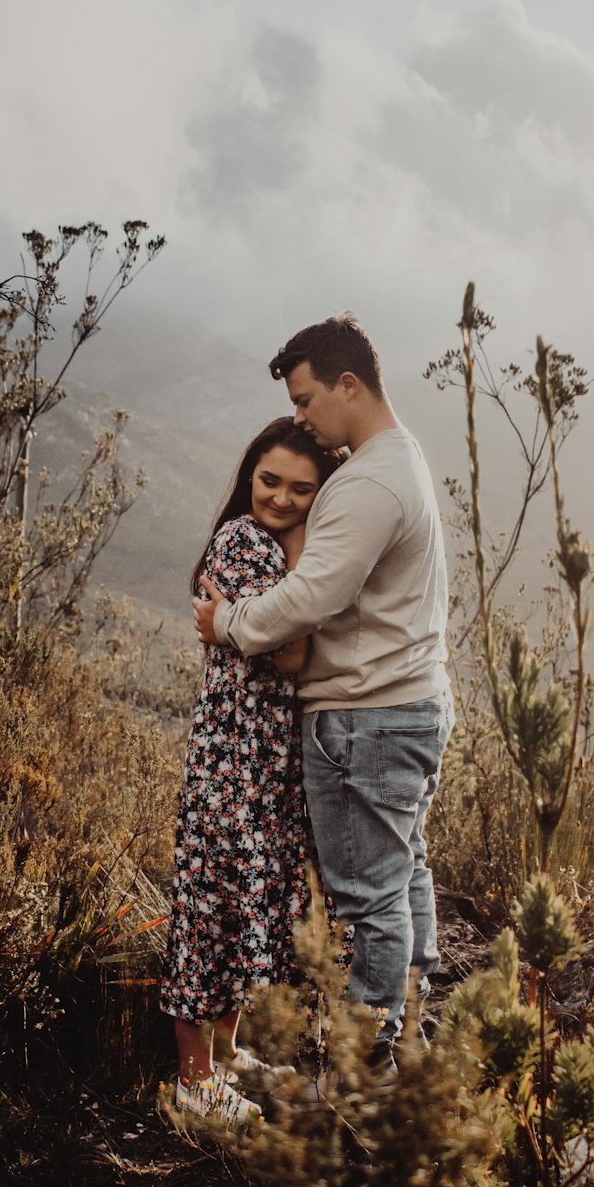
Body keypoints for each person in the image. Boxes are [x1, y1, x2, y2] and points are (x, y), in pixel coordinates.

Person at [194, 314, 453, 1071]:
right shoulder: (400, 461)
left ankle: (365, 1062)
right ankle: (407, 1035)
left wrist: (227, 621)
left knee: (369, 893)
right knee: (403, 870)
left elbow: (308, 598)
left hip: (366, 717)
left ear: (349, 384)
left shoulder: (370, 482)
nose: (301, 417)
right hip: (406, 702)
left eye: (307, 399)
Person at [160, 417, 343, 1122]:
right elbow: (291, 654)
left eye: (302, 490)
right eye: (270, 481)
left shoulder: (277, 549)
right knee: (207, 913)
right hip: (230, 757)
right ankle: (193, 1080)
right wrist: (300, 565)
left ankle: (228, 1053)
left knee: (242, 907)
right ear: (248, 477)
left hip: (265, 760)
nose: (282, 498)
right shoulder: (241, 542)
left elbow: (282, 630)